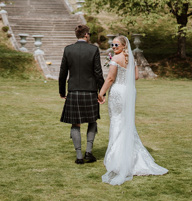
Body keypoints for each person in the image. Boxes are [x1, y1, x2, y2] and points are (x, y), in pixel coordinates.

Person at [98, 35, 168, 185]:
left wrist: (101, 93)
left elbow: (110, 78)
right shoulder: (130, 59)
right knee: (125, 122)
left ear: (123, 46)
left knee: (117, 121)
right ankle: (131, 157)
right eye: (112, 44)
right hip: (128, 93)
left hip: (117, 92)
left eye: (116, 45)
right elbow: (135, 76)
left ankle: (117, 159)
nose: (113, 47)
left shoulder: (115, 60)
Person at [59, 25, 105, 164]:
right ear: (86, 35)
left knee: (75, 123)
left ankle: (79, 156)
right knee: (92, 120)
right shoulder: (93, 49)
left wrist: (62, 91)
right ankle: (89, 152)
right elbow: (98, 73)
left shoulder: (68, 49)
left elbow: (62, 73)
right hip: (90, 91)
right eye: (89, 34)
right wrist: (101, 92)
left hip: (74, 91)